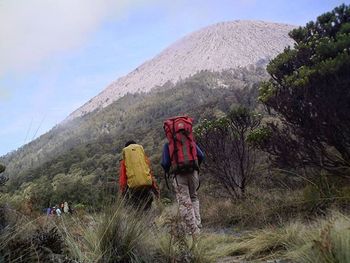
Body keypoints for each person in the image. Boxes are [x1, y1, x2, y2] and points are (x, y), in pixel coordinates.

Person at [161, 116, 205, 235]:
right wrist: (196, 167)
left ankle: (192, 231)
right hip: (193, 172)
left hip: (179, 176)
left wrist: (169, 169)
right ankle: (198, 225)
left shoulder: (168, 145)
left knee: (184, 202)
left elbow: (164, 163)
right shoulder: (190, 141)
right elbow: (201, 155)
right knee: (194, 197)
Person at [119, 140, 160, 211]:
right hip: (147, 186)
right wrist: (154, 188)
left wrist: (123, 192)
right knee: (147, 208)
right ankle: (150, 221)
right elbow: (149, 172)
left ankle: (142, 221)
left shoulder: (126, 161)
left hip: (134, 188)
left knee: (137, 210)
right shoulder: (143, 158)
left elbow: (123, 177)